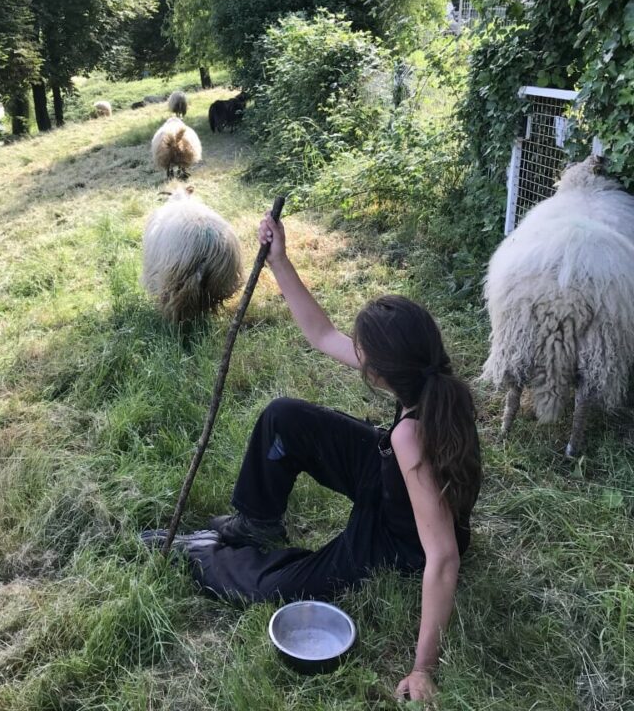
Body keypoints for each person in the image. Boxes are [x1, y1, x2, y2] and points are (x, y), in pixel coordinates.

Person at [143, 211, 482, 701]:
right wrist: (279, 260)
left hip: (397, 541)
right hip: (388, 479)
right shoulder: (433, 379)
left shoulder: (412, 437)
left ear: (381, 373)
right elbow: (321, 335)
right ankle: (257, 521)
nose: (355, 353)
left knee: (277, 587)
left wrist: (423, 667)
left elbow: (444, 556)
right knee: (286, 417)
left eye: (363, 352)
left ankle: (205, 557)